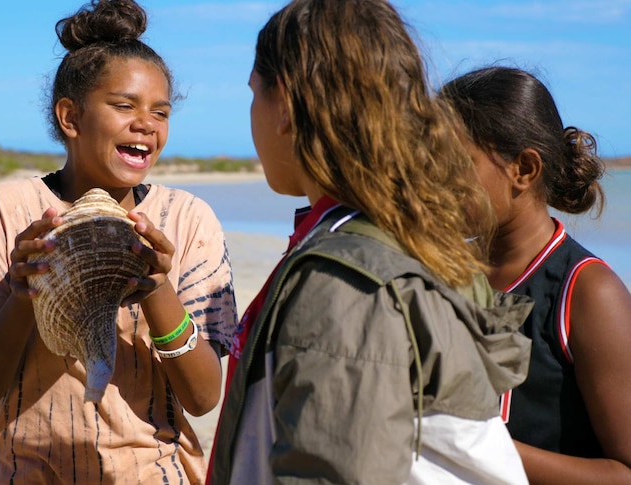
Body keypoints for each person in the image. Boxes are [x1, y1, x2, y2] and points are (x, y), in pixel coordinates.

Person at [208, 0, 534, 483]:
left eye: (256, 92)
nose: (250, 113)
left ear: (288, 106)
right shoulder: (414, 240)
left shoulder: (347, 280)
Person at [0, 1, 238, 483]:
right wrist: (23, 296)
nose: (147, 125)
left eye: (161, 111)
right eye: (125, 106)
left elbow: (203, 398)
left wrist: (158, 289)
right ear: (70, 117)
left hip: (154, 473)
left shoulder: (187, 220)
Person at [441, 66, 631, 484]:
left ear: (524, 170)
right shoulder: (441, 272)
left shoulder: (586, 292)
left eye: (456, 163)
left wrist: (476, 445)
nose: (437, 181)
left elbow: (624, 472)